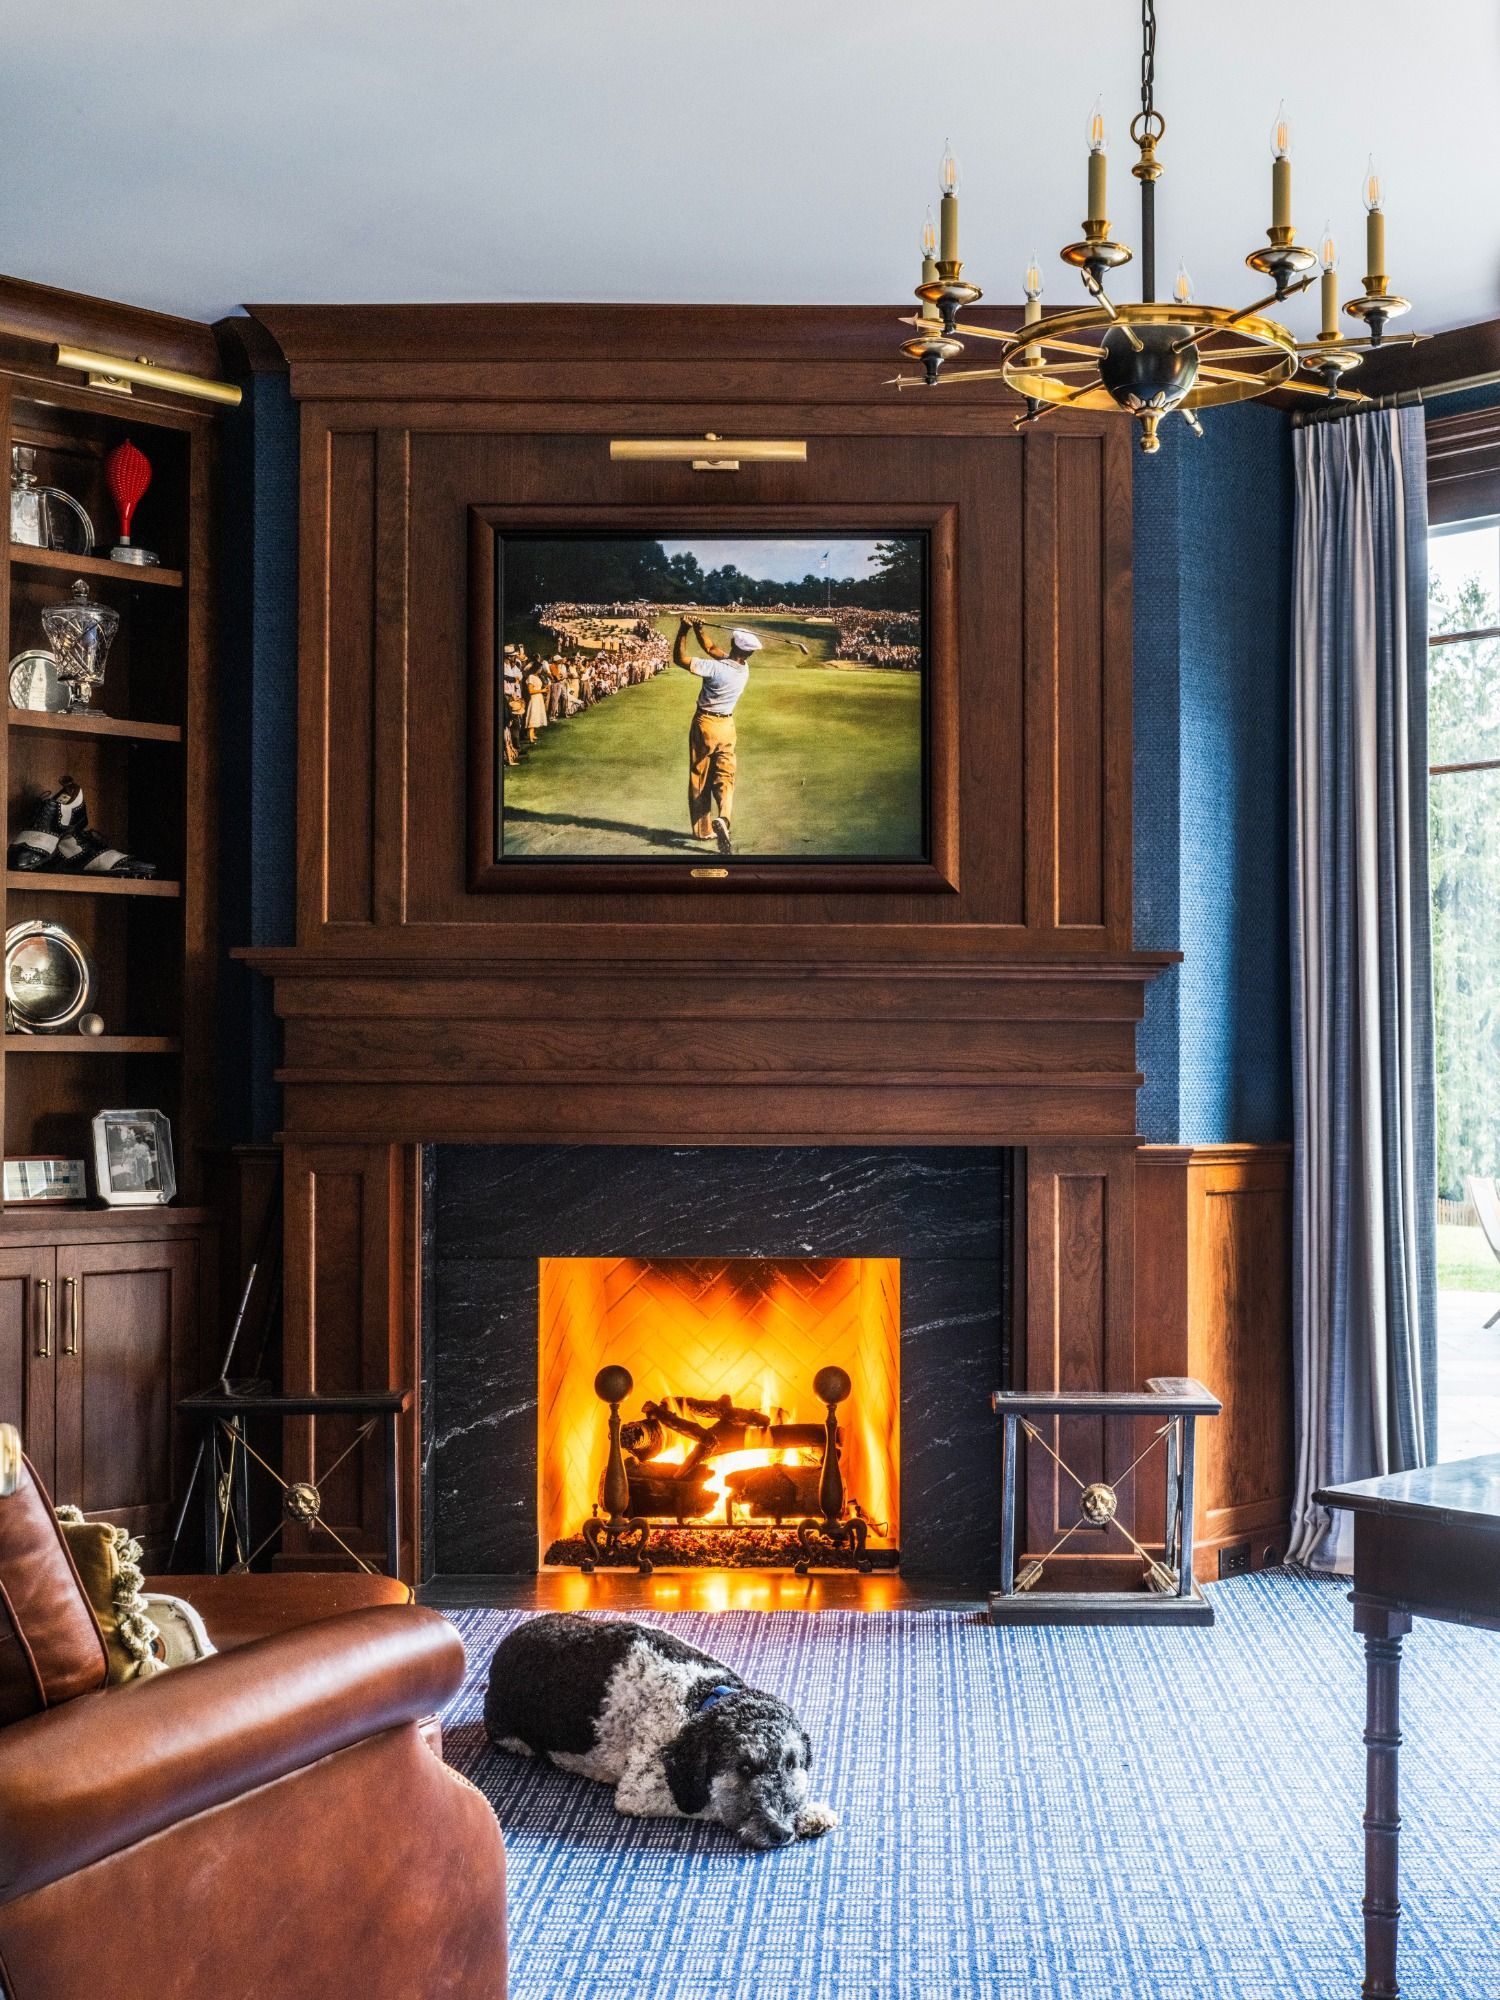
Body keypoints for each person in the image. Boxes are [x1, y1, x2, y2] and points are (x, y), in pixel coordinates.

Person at [672, 617, 762, 855]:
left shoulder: (715, 668)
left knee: (700, 777)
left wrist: (684, 629)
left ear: (733, 643)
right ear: (749, 653)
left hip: (705, 724)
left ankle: (703, 830)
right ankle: (724, 818)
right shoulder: (744, 669)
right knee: (725, 777)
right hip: (727, 727)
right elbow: (711, 648)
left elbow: (680, 659)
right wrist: (700, 629)